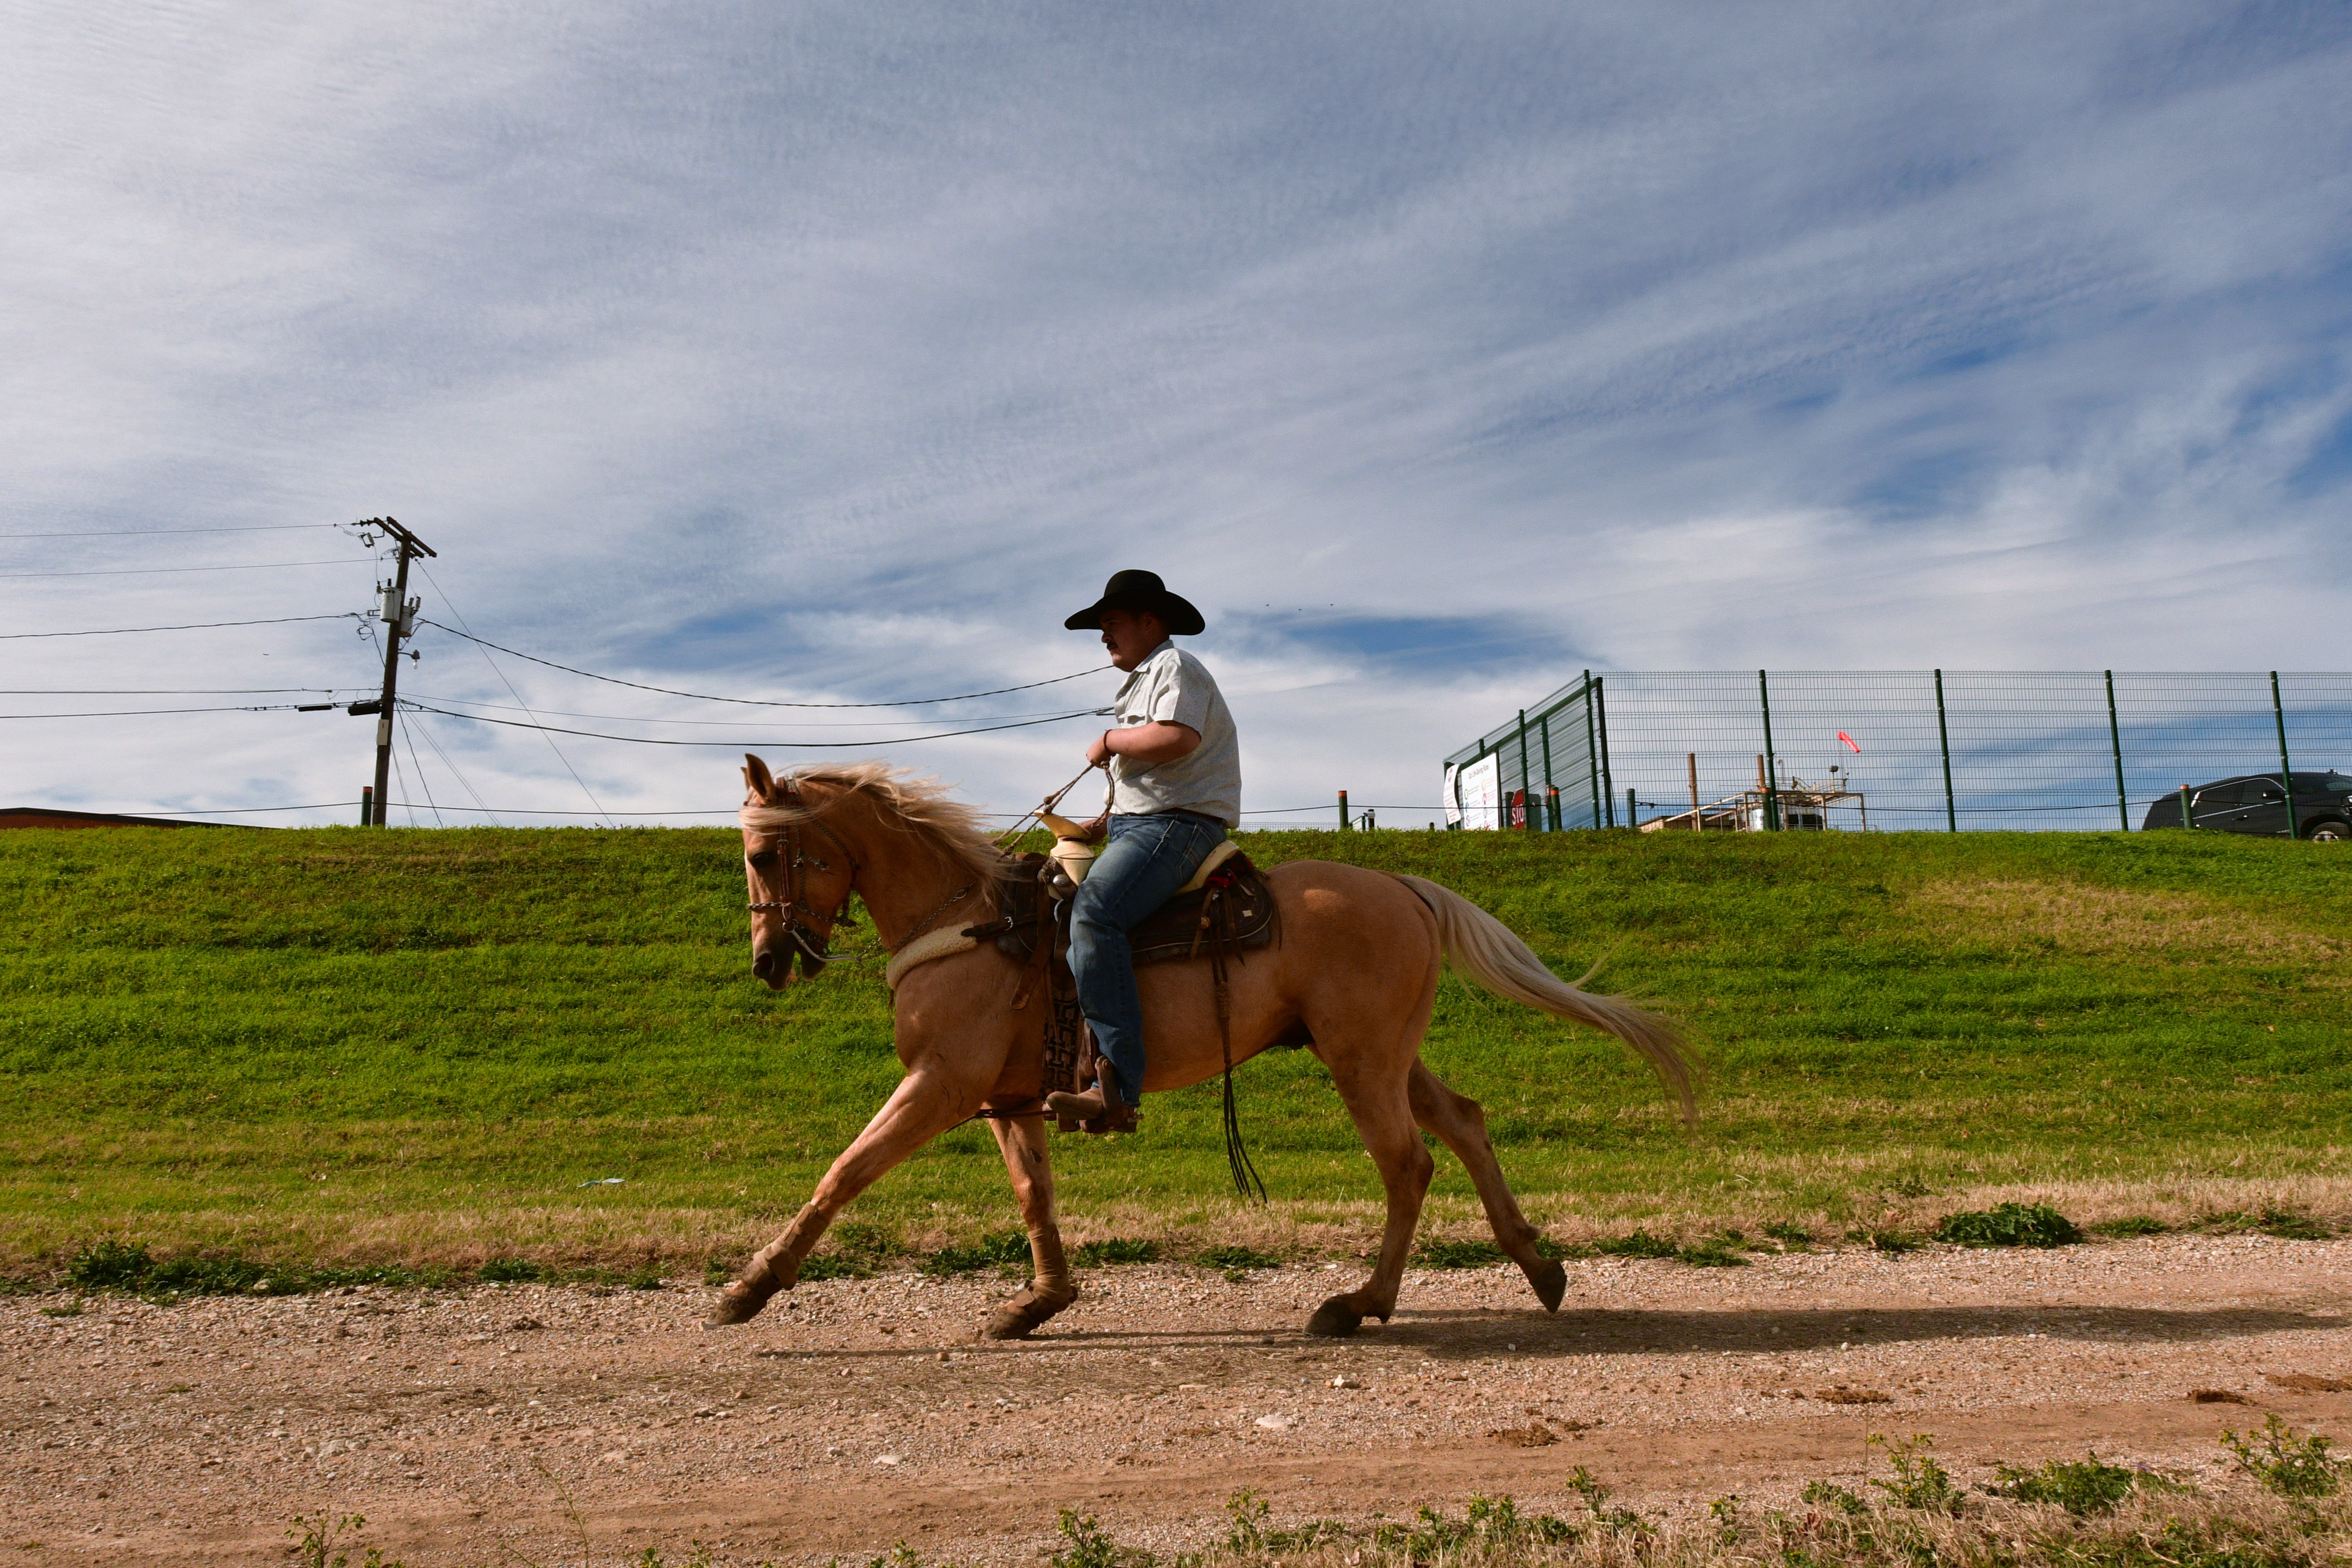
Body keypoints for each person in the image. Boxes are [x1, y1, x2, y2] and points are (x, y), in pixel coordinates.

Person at [1044, 569, 1241, 1133]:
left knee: (1097, 912)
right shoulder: (1142, 680)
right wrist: (1102, 826)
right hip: (1149, 825)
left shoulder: (1175, 668)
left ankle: (1116, 1085)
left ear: (1149, 621)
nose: (1104, 638)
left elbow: (1177, 738)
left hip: (1181, 828)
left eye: (1112, 625)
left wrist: (1109, 740)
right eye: (1101, 628)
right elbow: (1154, 781)